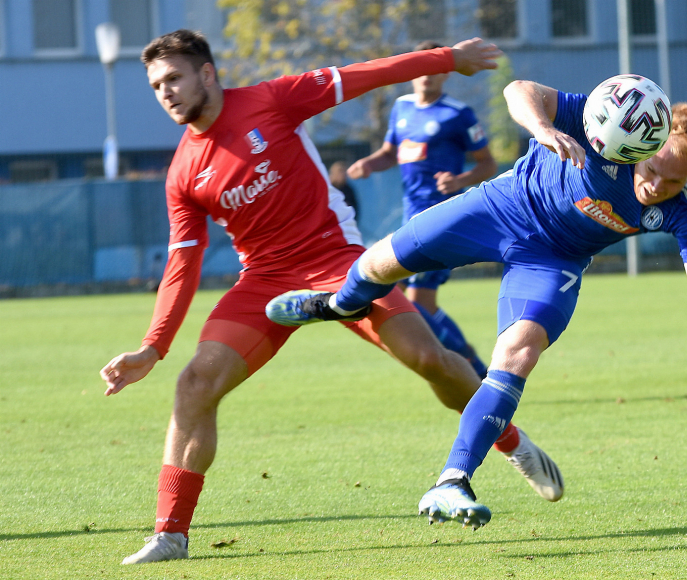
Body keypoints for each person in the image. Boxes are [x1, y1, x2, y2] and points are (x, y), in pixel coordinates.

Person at [99, 29, 562, 566]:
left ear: (207, 73)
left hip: (338, 262)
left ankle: (509, 440)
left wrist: (449, 59)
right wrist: (153, 347)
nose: (166, 92)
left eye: (174, 78)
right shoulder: (182, 172)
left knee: (429, 360)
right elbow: (182, 264)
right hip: (264, 280)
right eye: (157, 85)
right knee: (195, 383)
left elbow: (366, 74)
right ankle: (170, 534)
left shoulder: (271, 99)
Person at [267, 79, 687, 530]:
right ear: (638, 149)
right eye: (652, 172)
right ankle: (342, 305)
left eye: (674, 181)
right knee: (379, 263)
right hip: (504, 205)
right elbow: (519, 90)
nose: (657, 187)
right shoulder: (605, 121)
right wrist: (543, 129)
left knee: (517, 354)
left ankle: (453, 481)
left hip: (554, 259)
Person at [347, 40, 498, 379]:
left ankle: (475, 370)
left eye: (435, 69)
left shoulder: (458, 114)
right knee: (416, 301)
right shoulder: (401, 108)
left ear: (446, 74)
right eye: (421, 68)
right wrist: (370, 164)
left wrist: (460, 180)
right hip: (410, 217)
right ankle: (473, 369)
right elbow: (390, 152)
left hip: (443, 218)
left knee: (417, 301)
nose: (427, 76)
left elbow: (487, 164)